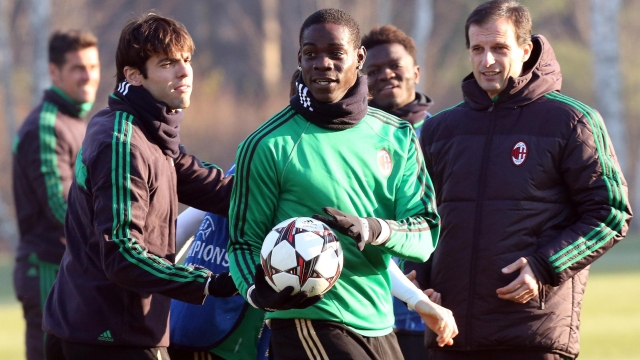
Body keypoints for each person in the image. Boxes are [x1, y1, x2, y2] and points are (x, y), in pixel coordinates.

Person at [228, 8, 457, 360]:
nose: (322, 63)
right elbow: (243, 242)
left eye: (335, 53)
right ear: (299, 59)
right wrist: (256, 293)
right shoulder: (266, 144)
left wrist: (374, 229)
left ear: (359, 58)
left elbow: (425, 234)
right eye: (311, 53)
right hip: (306, 321)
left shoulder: (397, 136)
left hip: (378, 321)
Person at [418, 1, 632, 359]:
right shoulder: (440, 130)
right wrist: (420, 278)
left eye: (499, 48)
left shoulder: (572, 122)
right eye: (478, 49)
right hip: (451, 334)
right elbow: (420, 217)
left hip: (532, 334)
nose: (487, 61)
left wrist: (544, 266)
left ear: (526, 49)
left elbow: (610, 213)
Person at [42, 13, 237, 360]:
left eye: (186, 60)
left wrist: (285, 192)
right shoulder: (122, 141)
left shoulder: (150, 133)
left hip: (118, 333)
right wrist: (206, 282)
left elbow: (214, 188)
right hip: (107, 337)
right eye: (167, 63)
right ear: (133, 75)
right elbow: (121, 253)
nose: (184, 72)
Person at [12, 30, 100, 360]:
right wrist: (115, 237)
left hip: (71, 269)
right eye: (78, 67)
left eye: (93, 66)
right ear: (54, 72)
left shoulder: (77, 121)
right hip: (49, 266)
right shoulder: (47, 126)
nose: (88, 76)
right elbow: (61, 206)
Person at [362, 24, 436, 360]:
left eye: (395, 66)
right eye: (373, 70)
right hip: (367, 307)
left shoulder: (444, 136)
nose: (386, 75)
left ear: (416, 72)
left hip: (430, 305)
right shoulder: (350, 141)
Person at [168, 166, 272, 360]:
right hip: (219, 332)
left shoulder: (248, 158)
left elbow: (182, 226)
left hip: (184, 318)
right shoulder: (280, 169)